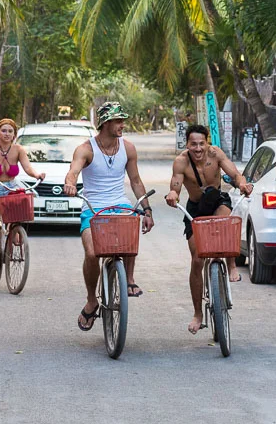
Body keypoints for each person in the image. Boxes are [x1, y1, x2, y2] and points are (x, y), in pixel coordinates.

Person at [63, 101, 154, 332]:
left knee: (131, 231)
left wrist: (147, 209)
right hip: (93, 207)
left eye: (123, 120)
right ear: (105, 123)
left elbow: (135, 181)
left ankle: (129, 279)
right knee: (92, 253)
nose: (122, 125)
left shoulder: (128, 148)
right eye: (118, 121)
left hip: (120, 204)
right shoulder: (86, 149)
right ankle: (92, 299)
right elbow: (73, 171)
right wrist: (70, 184)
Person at [165, 124, 253, 335]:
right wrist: (172, 195)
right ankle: (198, 314)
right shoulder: (181, 162)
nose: (197, 148)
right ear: (187, 144)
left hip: (217, 202)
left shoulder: (216, 154)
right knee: (197, 260)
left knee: (224, 226)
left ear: (207, 143)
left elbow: (235, 174)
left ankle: (231, 264)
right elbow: (175, 186)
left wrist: (242, 184)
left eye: (201, 143)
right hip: (196, 208)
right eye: (193, 144)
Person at [0, 118, 45, 283]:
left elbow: (28, 168)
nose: (7, 134)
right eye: (4, 131)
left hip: (11, 186)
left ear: (14, 134)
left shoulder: (18, 149)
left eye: (10, 131)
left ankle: (13, 231)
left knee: (18, 215)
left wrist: (37, 175)